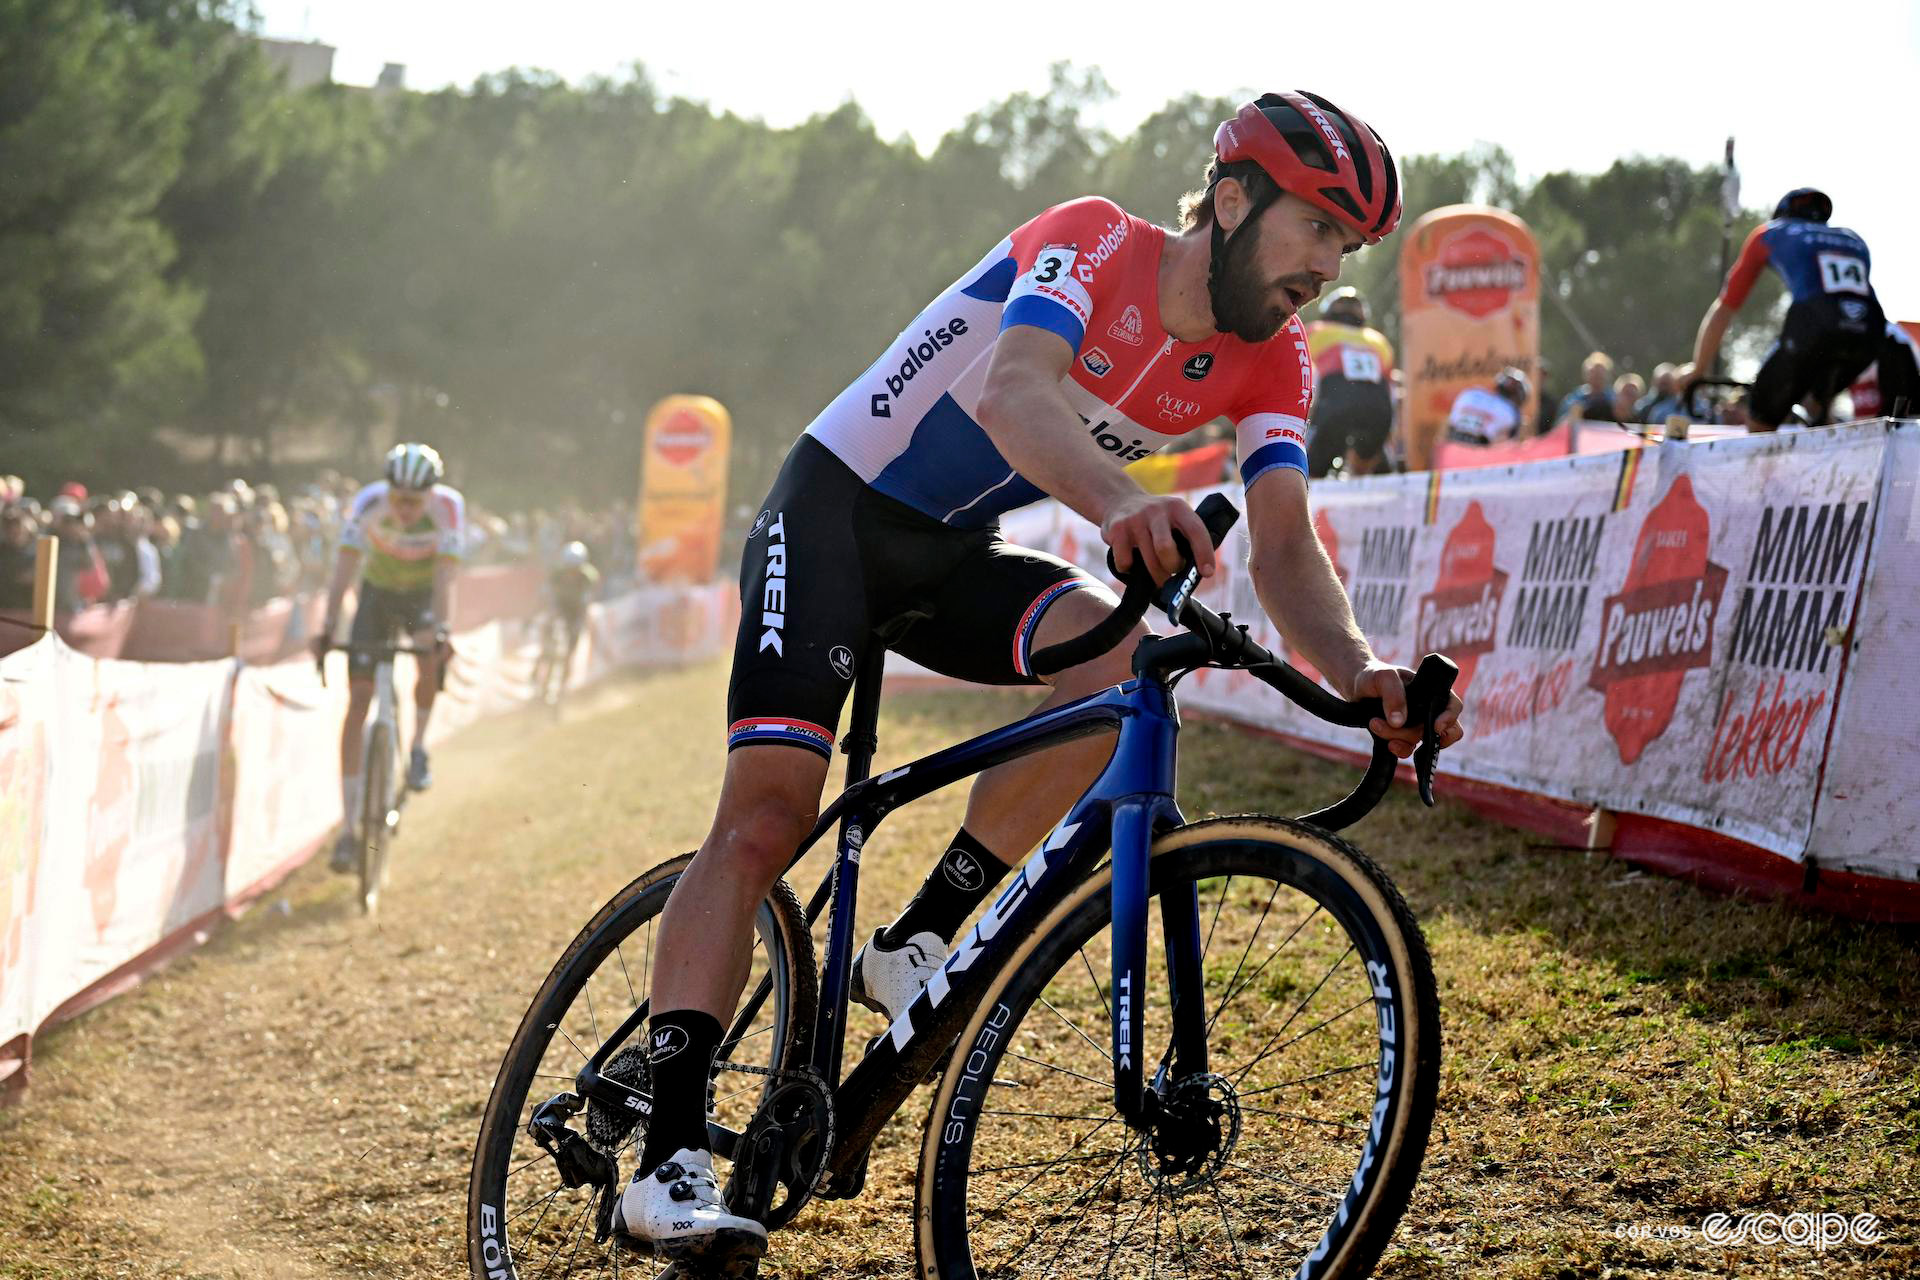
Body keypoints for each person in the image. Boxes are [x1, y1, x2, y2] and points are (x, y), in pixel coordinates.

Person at [614, 90, 1465, 1268]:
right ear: (1232, 200)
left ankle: (920, 932)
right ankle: (662, 1158)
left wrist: (1363, 669)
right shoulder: (1096, 240)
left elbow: (1281, 542)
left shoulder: (1277, 357)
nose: (1326, 264)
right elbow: (1014, 392)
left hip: (953, 556)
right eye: (1316, 227)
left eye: (1346, 244)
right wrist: (1124, 503)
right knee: (768, 813)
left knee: (1126, 666)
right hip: (830, 518)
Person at [310, 443, 464, 871]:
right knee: (358, 702)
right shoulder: (369, 502)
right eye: (399, 498)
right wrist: (326, 626)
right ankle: (347, 831)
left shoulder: (449, 509)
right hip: (376, 595)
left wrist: (442, 628)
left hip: (421, 596)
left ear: (431, 495)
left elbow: (446, 576)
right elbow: (345, 565)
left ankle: (416, 748)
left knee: (428, 658)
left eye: (415, 501)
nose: (405, 508)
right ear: (388, 490)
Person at [1681, 188, 1885, 431]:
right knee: (1817, 406)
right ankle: (1825, 428)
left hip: (1815, 325)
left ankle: (1761, 458)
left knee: (1761, 413)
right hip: (1871, 332)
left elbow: (1724, 308)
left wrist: (1698, 368)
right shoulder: (1853, 239)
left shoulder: (1769, 232)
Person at [1303, 286, 1396, 476]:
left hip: (1335, 403)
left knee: (1312, 475)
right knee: (1365, 472)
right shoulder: (1379, 340)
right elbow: (1392, 390)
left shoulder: (1314, 331)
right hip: (1379, 407)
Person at [538, 540, 599, 699]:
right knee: (547, 627)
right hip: (560, 608)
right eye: (569, 569)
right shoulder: (556, 573)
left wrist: (582, 617)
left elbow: (588, 599)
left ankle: (564, 684)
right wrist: (550, 609)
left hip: (576, 612)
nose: (571, 573)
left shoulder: (588, 576)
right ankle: (541, 661)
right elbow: (546, 592)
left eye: (575, 570)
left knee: (571, 647)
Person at [1446, 368, 1530, 446]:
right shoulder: (1510, 412)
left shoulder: (1470, 393)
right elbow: (1510, 445)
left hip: (1452, 448)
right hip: (1480, 454)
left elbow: (1449, 424)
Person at [1555, 352, 1616, 423]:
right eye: (1593, 373)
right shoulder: (1574, 400)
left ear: (1607, 375)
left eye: (1600, 374)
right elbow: (1560, 425)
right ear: (1586, 375)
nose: (1597, 378)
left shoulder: (1614, 400)